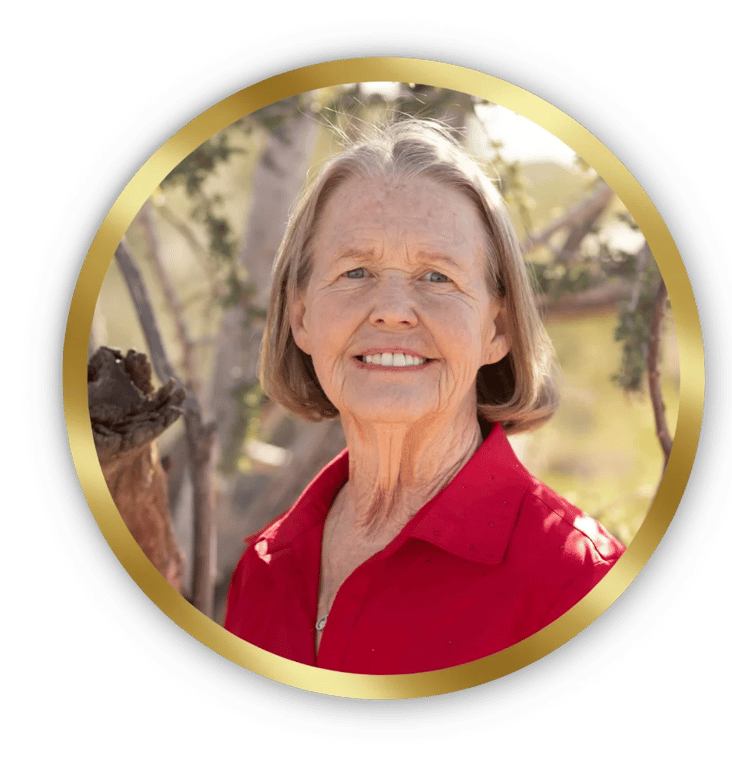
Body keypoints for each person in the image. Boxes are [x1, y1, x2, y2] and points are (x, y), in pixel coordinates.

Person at [224, 118, 626, 674]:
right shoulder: (263, 569)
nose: (392, 310)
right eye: (356, 271)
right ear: (301, 317)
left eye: (437, 277)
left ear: (497, 329)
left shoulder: (578, 582)